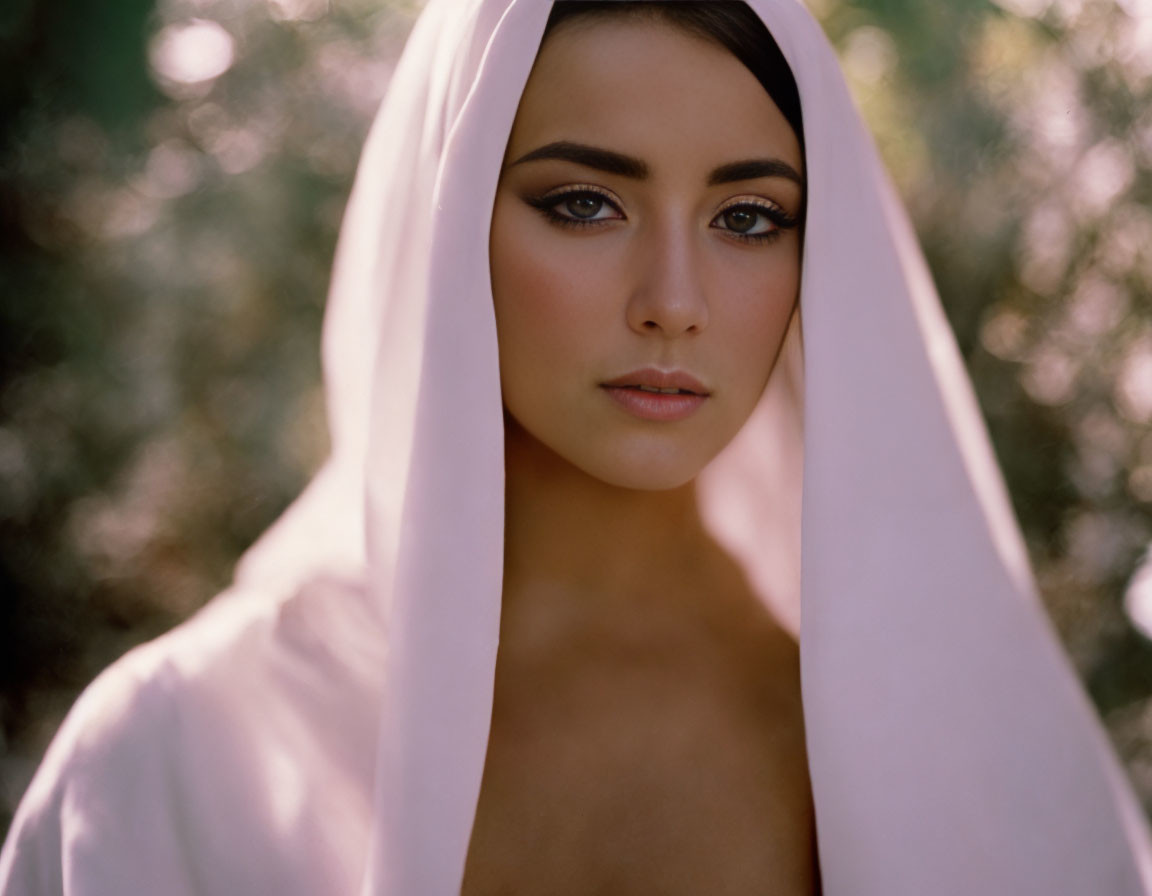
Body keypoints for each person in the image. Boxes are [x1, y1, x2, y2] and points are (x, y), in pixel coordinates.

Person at [1, 0, 1150, 894]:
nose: (674, 300)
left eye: (749, 217)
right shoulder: (185, 757)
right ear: (450, 221)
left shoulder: (956, 752)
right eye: (585, 203)